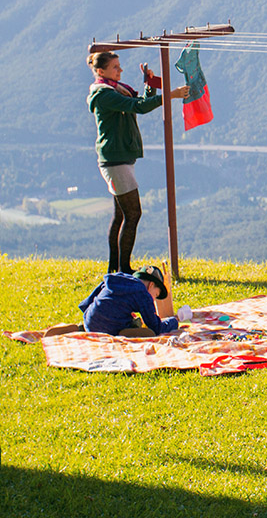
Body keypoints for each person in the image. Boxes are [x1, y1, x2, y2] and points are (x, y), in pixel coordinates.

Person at [86, 52, 188, 274]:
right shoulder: (104, 95)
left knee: (122, 215)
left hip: (119, 159)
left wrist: (149, 85)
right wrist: (171, 95)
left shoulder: (113, 90)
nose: (120, 71)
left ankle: (115, 268)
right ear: (101, 71)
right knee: (133, 214)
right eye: (115, 67)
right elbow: (138, 107)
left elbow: (138, 103)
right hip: (116, 161)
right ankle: (123, 269)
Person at [44, 265, 180, 338]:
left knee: (101, 320)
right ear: (151, 285)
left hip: (91, 319)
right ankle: (124, 332)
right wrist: (174, 320)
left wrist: (88, 315)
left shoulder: (116, 278)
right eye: (155, 295)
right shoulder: (143, 294)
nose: (154, 300)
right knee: (141, 326)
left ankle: (81, 328)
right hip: (113, 326)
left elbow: (91, 299)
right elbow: (155, 326)